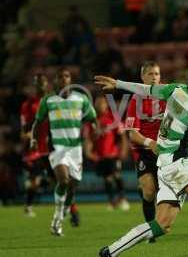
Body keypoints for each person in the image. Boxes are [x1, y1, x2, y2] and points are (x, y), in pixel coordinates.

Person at [95, 61, 188, 257]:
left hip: (164, 164)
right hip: (179, 163)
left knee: (161, 225)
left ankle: (111, 251)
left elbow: (146, 89)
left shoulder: (175, 89)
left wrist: (118, 83)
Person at [31, 68, 97, 236]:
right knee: (64, 180)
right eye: (60, 77)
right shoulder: (48, 100)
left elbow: (92, 119)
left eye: (66, 76)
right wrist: (34, 140)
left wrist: (94, 130)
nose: (63, 79)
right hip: (57, 147)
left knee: (73, 185)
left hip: (75, 148)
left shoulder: (81, 99)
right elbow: (38, 122)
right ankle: (58, 217)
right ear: (56, 81)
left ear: (70, 80)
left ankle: (65, 208)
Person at [124, 61, 166, 242]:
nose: (154, 77)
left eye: (156, 74)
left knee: (163, 191)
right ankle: (151, 231)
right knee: (149, 191)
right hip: (143, 149)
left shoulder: (168, 95)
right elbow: (132, 133)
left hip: (164, 149)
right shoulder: (136, 100)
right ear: (142, 78)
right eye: (150, 74)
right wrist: (150, 143)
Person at [85, 95, 129, 211]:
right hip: (100, 156)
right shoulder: (92, 121)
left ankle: (123, 199)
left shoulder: (113, 117)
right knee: (107, 179)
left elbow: (122, 135)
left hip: (113, 154)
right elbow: (89, 139)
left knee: (117, 175)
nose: (100, 105)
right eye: (98, 103)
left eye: (102, 103)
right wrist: (88, 151)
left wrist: (124, 150)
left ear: (106, 104)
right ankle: (112, 202)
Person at [20, 74, 52, 217]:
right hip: (36, 148)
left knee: (57, 178)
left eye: (43, 83)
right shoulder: (28, 105)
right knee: (35, 180)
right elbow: (24, 130)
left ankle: (67, 207)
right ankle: (28, 205)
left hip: (53, 146)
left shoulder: (53, 102)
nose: (41, 86)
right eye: (38, 83)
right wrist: (29, 137)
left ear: (47, 84)